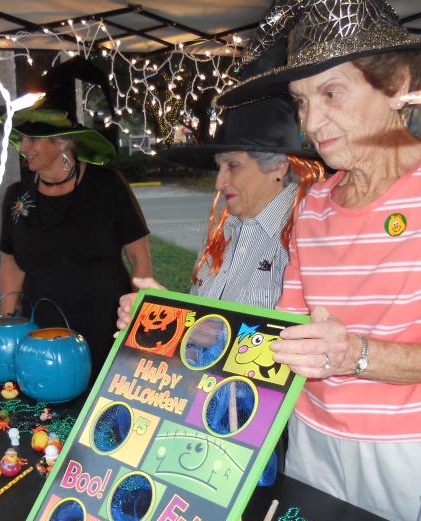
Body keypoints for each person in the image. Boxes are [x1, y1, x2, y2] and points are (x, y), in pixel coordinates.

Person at [217, 0, 421, 521]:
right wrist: (169, 330)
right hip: (312, 436)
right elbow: (283, 328)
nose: (311, 123)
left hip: (412, 452)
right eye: (301, 102)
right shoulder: (316, 203)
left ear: (395, 82)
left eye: (331, 93)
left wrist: (354, 354)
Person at [115, 48, 324, 325]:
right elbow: (206, 328)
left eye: (233, 166)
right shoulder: (224, 232)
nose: (219, 182)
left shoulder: (306, 235)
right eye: (219, 166)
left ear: (278, 165)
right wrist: (165, 313)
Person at [0, 58, 153, 374]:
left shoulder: (107, 185)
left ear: (62, 141)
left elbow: (140, 258)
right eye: (21, 138)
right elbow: (10, 264)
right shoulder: (16, 196)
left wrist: (135, 323)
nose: (23, 148)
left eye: (32, 139)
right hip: (44, 337)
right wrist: (7, 328)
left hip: (107, 328)